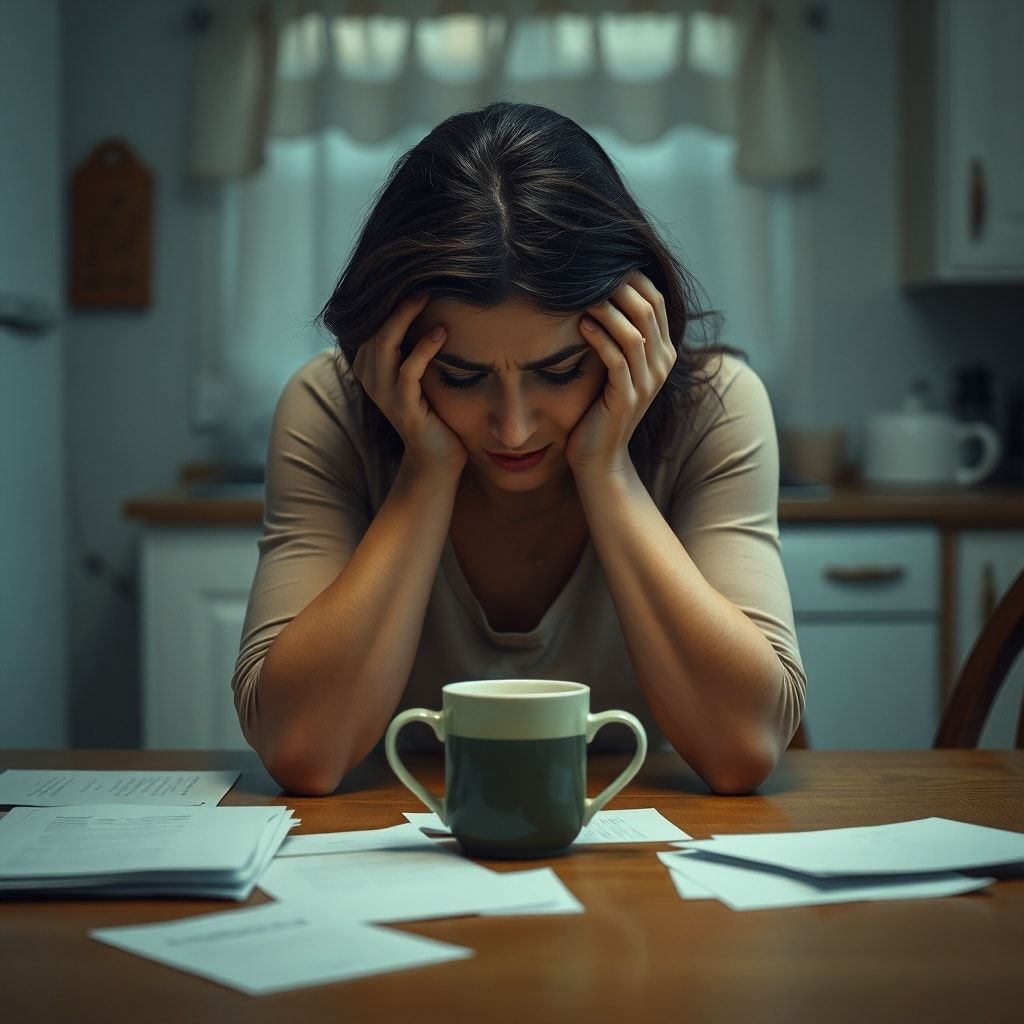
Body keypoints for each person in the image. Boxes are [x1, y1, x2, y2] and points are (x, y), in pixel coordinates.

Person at [231, 100, 806, 797]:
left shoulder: (715, 407)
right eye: (461, 376)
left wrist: (609, 472)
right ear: (393, 348)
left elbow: (742, 749)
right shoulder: (329, 409)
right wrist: (425, 474)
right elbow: (303, 752)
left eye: (559, 372)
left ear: (633, 331)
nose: (512, 428)